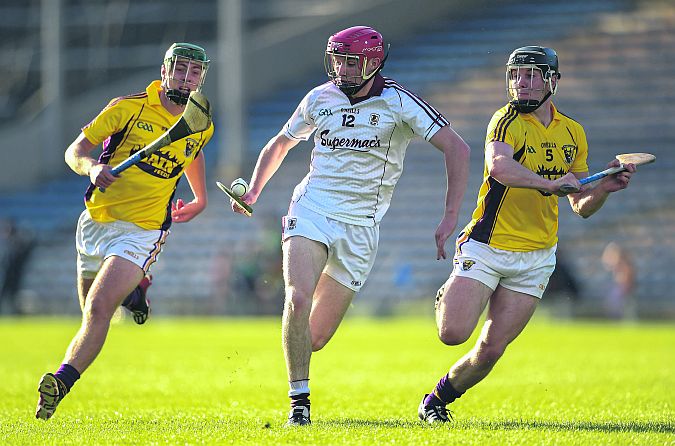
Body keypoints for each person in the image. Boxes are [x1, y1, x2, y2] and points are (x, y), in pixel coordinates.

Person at [228, 26, 470, 426]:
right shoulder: (319, 98)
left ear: (373, 63)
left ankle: (299, 362)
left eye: (349, 60)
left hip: (361, 229)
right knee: (297, 299)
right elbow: (280, 143)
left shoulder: (400, 102)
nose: (340, 67)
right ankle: (299, 405)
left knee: (315, 337)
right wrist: (253, 191)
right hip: (312, 210)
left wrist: (449, 216)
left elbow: (457, 148)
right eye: (336, 58)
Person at [418, 46, 637, 424]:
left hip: (536, 258)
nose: (523, 82)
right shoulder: (505, 121)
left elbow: (580, 206)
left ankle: (435, 402)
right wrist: (550, 184)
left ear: (553, 81)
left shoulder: (573, 132)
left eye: (533, 74)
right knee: (453, 334)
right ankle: (450, 292)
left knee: (490, 349)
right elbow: (500, 167)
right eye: (517, 74)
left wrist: (601, 188)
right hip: (488, 246)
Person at [35, 42, 213, 420]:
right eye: (179, 69)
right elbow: (76, 150)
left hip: (143, 230)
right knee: (90, 312)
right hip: (96, 221)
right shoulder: (127, 107)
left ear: (202, 78)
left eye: (194, 72)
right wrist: (91, 168)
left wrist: (200, 197)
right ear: (164, 71)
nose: (186, 77)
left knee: (99, 309)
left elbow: (192, 150)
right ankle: (135, 294)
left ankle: (60, 382)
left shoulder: (202, 122)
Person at [0, 219, 35, 315]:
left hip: (14, 276)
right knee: (7, 295)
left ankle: (15, 313)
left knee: (11, 296)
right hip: (11, 276)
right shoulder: (11, 245)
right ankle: (14, 313)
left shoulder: (17, 244)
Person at [601, 241, 635, 319]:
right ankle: (615, 317)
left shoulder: (625, 265)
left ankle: (617, 318)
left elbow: (625, 279)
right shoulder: (619, 264)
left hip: (624, 288)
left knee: (614, 301)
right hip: (621, 287)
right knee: (612, 301)